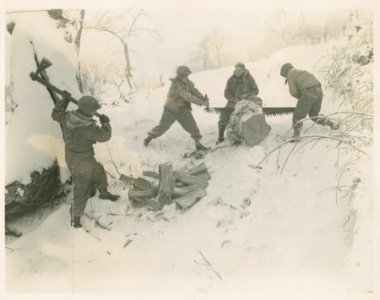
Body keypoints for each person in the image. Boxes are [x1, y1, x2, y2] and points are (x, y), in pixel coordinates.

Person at [52, 95, 119, 228]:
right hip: (81, 160)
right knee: (81, 188)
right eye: (94, 110)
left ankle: (104, 194)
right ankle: (75, 219)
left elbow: (55, 114)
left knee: (98, 170)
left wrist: (64, 101)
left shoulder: (67, 117)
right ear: (88, 111)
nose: (95, 112)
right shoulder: (87, 128)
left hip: (72, 155)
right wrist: (105, 123)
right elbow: (105, 136)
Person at [143, 66, 209, 150]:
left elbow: (194, 91)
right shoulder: (176, 84)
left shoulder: (187, 82)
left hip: (182, 108)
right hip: (171, 109)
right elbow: (187, 97)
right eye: (185, 75)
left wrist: (203, 98)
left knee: (192, 126)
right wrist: (202, 103)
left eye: (187, 75)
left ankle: (198, 143)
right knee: (163, 127)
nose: (187, 77)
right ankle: (149, 138)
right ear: (180, 75)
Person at [280, 63, 339, 141]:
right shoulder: (301, 72)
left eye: (283, 74)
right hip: (319, 91)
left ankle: (296, 136)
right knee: (314, 115)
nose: (284, 76)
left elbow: (293, 92)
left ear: (286, 70)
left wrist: (301, 98)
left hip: (309, 91)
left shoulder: (290, 74)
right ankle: (332, 124)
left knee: (298, 115)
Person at [217, 62, 260, 144]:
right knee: (224, 114)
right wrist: (233, 99)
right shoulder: (230, 80)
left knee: (255, 110)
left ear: (243, 70)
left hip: (248, 99)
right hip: (235, 100)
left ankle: (255, 133)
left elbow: (255, 90)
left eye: (239, 70)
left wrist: (246, 95)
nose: (237, 72)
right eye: (236, 70)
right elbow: (226, 93)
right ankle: (221, 135)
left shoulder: (249, 78)